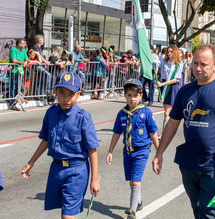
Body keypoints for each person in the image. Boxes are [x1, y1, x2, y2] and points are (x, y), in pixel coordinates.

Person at [152, 44, 215, 219]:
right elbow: (172, 123)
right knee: (197, 208)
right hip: (188, 162)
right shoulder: (185, 91)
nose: (198, 68)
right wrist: (159, 153)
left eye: (203, 64)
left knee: (208, 211)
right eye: (195, 63)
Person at [21, 72, 100, 219]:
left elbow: (92, 150)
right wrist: (31, 162)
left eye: (71, 94)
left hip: (76, 171)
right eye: (62, 93)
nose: (66, 98)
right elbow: (45, 140)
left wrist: (94, 179)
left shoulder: (83, 117)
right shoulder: (51, 114)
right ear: (56, 92)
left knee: (67, 215)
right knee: (64, 211)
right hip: (56, 169)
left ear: (78, 94)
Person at [106, 79, 159, 219]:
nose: (132, 99)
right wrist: (110, 151)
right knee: (131, 181)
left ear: (141, 96)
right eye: (129, 95)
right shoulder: (122, 113)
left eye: (135, 95)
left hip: (141, 151)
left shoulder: (145, 112)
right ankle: (138, 202)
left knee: (135, 181)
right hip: (128, 151)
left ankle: (132, 212)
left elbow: (153, 133)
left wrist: (159, 153)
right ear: (125, 95)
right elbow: (117, 133)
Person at [156, 44, 182, 132]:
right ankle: (168, 129)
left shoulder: (178, 64)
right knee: (166, 112)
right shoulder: (164, 61)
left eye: (171, 51)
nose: (169, 53)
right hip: (163, 85)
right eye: (168, 51)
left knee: (167, 112)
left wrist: (162, 84)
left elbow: (176, 79)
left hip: (171, 87)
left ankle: (164, 133)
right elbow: (157, 66)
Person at [8, 38, 28, 110]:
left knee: (22, 87)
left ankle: (7, 95)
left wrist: (26, 61)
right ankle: (12, 103)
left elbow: (27, 58)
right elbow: (14, 60)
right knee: (14, 88)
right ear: (19, 44)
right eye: (23, 43)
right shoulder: (13, 49)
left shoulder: (23, 50)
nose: (24, 44)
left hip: (20, 72)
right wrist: (23, 62)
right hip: (14, 71)